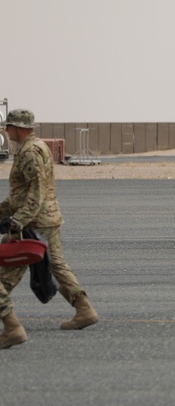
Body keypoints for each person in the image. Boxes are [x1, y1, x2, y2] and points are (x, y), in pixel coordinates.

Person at [0, 109, 99, 350]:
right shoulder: (32, 147)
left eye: (9, 126)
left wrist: (19, 220)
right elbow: (22, 192)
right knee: (55, 264)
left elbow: (36, 190)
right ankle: (84, 309)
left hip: (35, 221)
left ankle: (10, 323)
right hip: (44, 217)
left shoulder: (30, 151)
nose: (6, 130)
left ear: (19, 128)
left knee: (9, 266)